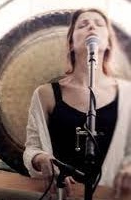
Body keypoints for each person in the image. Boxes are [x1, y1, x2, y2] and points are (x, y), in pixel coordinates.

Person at [23, 8, 131, 199]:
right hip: (62, 195)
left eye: (99, 24)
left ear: (108, 43)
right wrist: (40, 158)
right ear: (71, 42)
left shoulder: (128, 94)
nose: (91, 26)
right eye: (82, 24)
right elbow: (31, 148)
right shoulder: (45, 94)